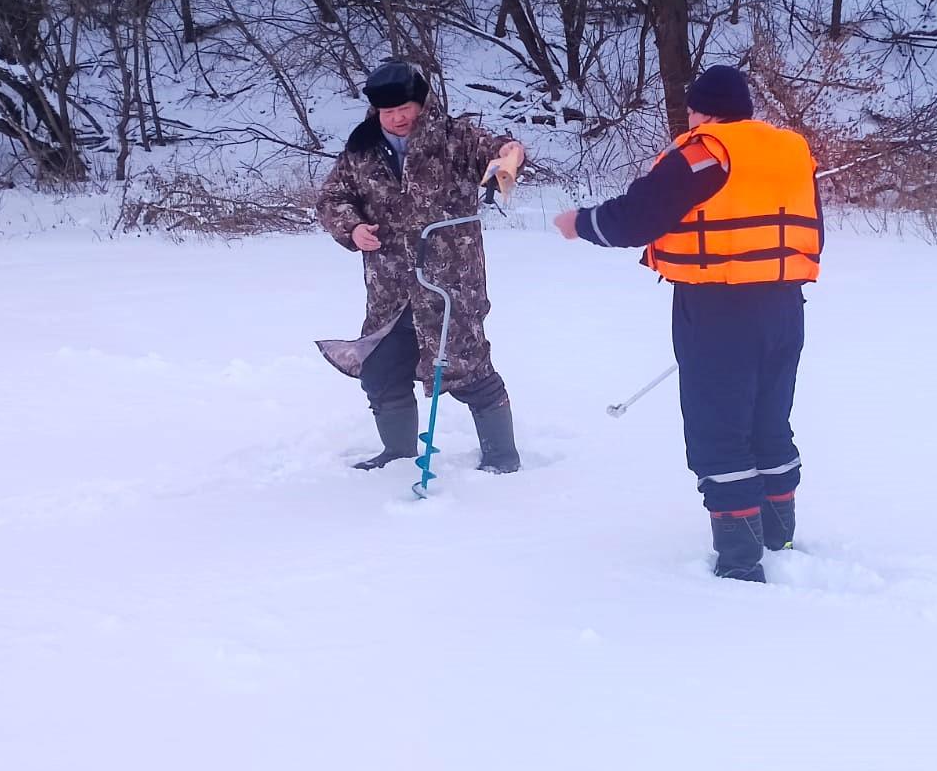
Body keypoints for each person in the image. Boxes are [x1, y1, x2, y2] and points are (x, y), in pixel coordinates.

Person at [554, 65, 821, 581]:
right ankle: (779, 537)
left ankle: (741, 565)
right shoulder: (789, 151)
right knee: (769, 421)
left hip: (719, 309)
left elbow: (638, 216)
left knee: (719, 432)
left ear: (702, 110)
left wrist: (580, 223)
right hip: (786, 306)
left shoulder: (706, 152)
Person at [316, 60, 526, 474]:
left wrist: (509, 158)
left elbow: (503, 150)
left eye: (405, 109)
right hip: (390, 287)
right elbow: (331, 199)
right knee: (380, 371)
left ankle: (503, 457)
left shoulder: (454, 139)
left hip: (450, 285)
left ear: (422, 103)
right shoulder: (362, 149)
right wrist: (353, 228)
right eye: (387, 112)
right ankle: (397, 456)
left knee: (468, 371)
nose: (397, 119)